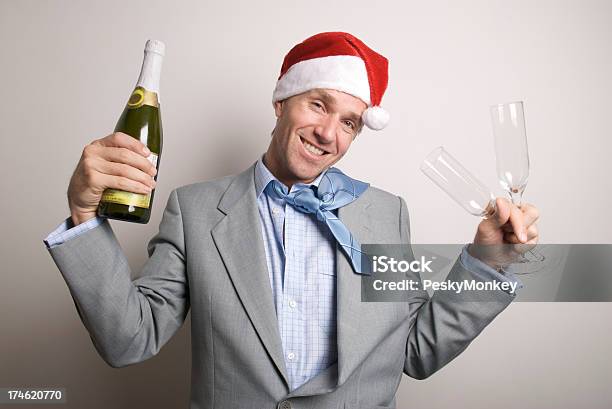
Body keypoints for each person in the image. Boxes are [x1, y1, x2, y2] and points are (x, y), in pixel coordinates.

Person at [44, 32, 539, 409]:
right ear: (281, 102)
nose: (328, 133)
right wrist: (84, 213)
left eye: (348, 122)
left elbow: (416, 351)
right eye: (318, 105)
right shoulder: (194, 210)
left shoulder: (385, 214)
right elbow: (129, 338)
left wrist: (486, 262)